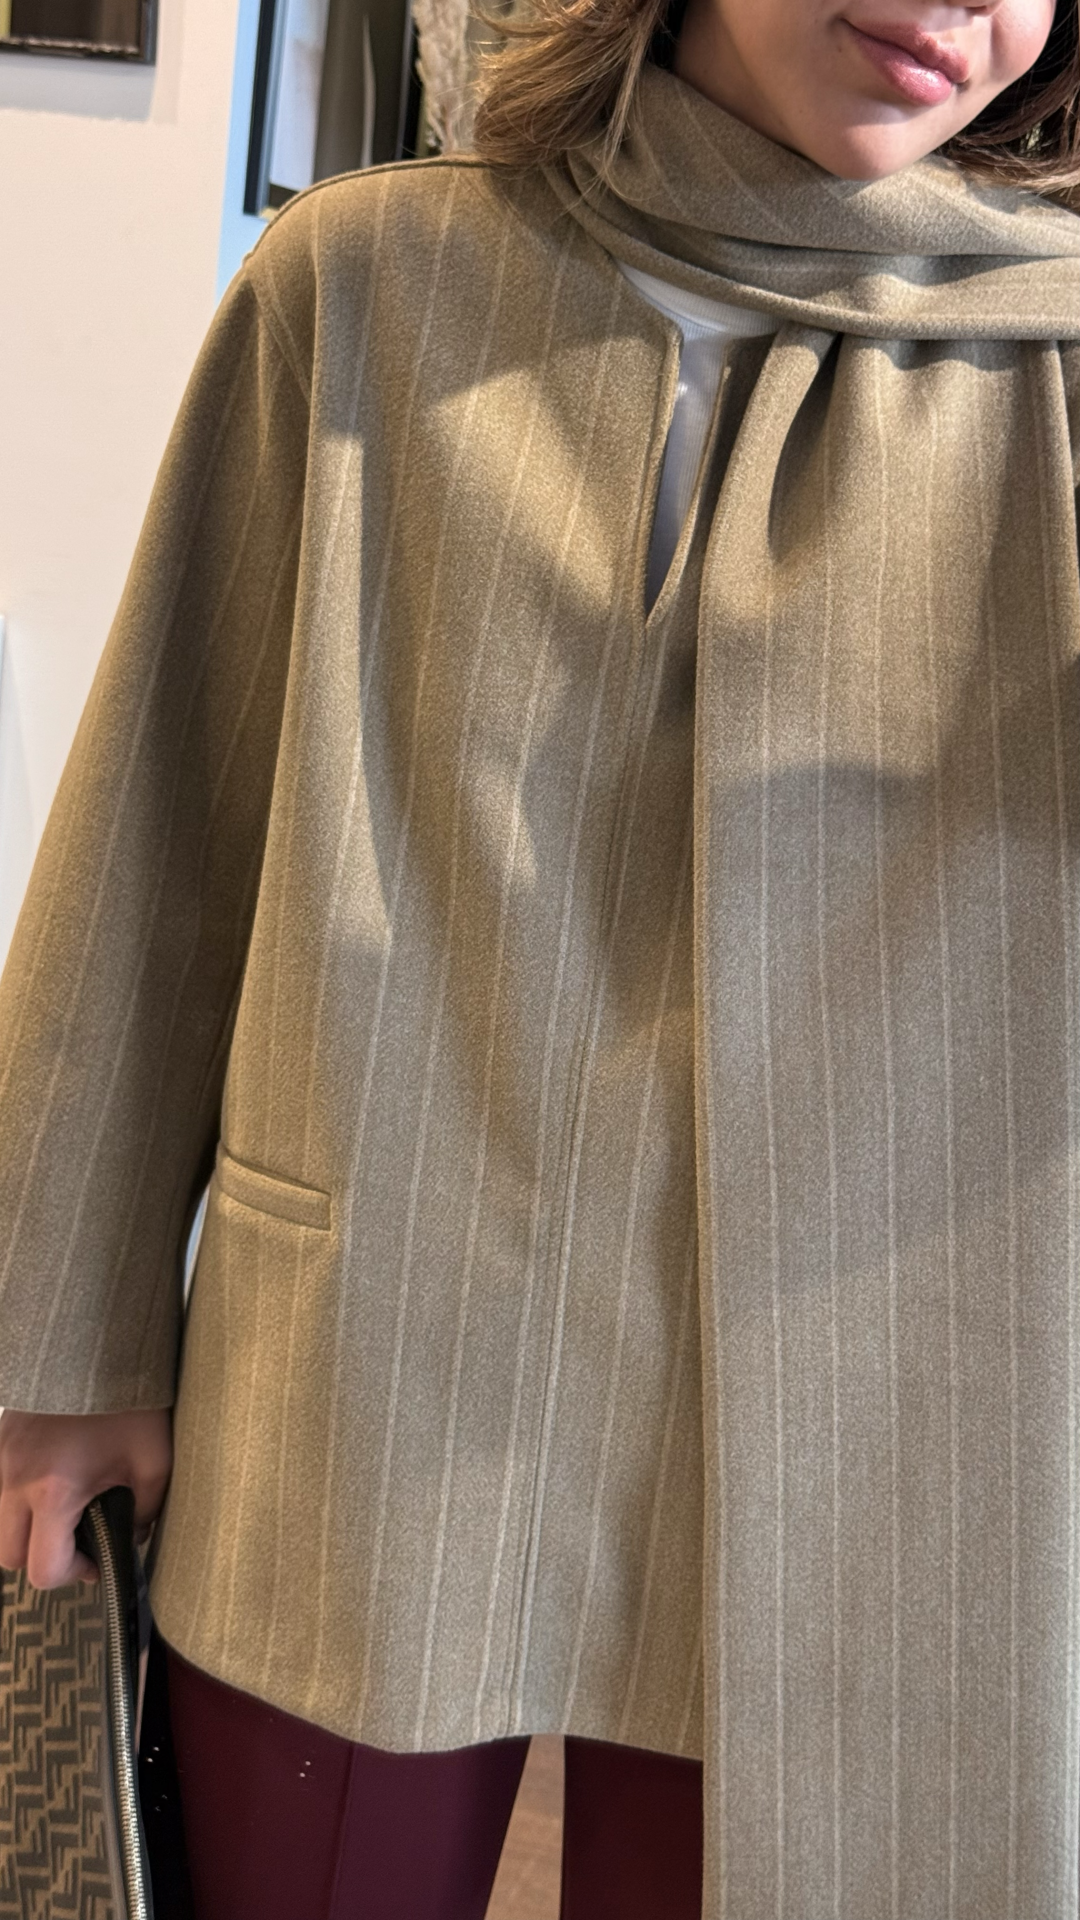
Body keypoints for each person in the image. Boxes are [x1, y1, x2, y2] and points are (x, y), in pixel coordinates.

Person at [1, 0, 1079, 1914]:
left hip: (876, 1414)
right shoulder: (371, 283)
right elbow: (165, 826)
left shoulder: (1061, 371)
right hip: (384, 1360)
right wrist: (65, 1339)